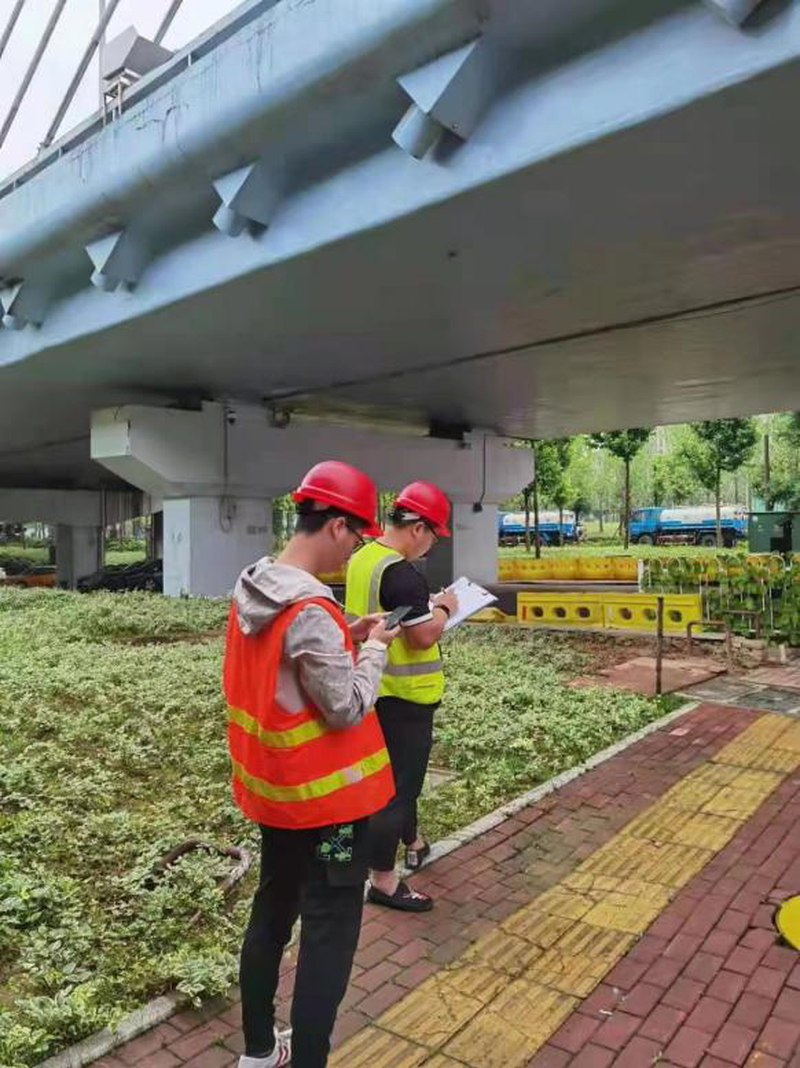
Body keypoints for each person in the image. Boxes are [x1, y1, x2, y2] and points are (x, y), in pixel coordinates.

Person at [224, 460, 400, 1068]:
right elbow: (346, 706)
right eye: (357, 537)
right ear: (336, 525)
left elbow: (290, 671)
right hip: (330, 816)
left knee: (273, 907)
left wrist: (345, 631)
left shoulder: (255, 588)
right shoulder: (310, 611)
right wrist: (375, 646)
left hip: (276, 798)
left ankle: (256, 1052)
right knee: (329, 923)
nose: (353, 551)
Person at [345, 481, 457, 912]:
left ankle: (414, 842)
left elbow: (390, 611)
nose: (429, 547)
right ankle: (385, 882)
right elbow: (423, 637)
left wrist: (423, 604)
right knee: (397, 790)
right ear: (418, 528)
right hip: (405, 698)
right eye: (432, 537)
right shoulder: (401, 571)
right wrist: (445, 606)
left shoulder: (363, 558)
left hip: (371, 689)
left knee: (388, 782)